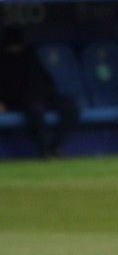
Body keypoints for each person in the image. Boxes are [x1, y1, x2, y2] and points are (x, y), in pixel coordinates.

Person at [0, 27, 79, 158]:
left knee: (71, 107)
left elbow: (47, 82)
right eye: (12, 48)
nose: (15, 50)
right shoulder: (3, 60)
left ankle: (56, 146)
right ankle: (45, 148)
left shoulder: (30, 56)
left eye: (17, 46)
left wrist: (49, 95)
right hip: (21, 101)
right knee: (35, 111)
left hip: (45, 97)